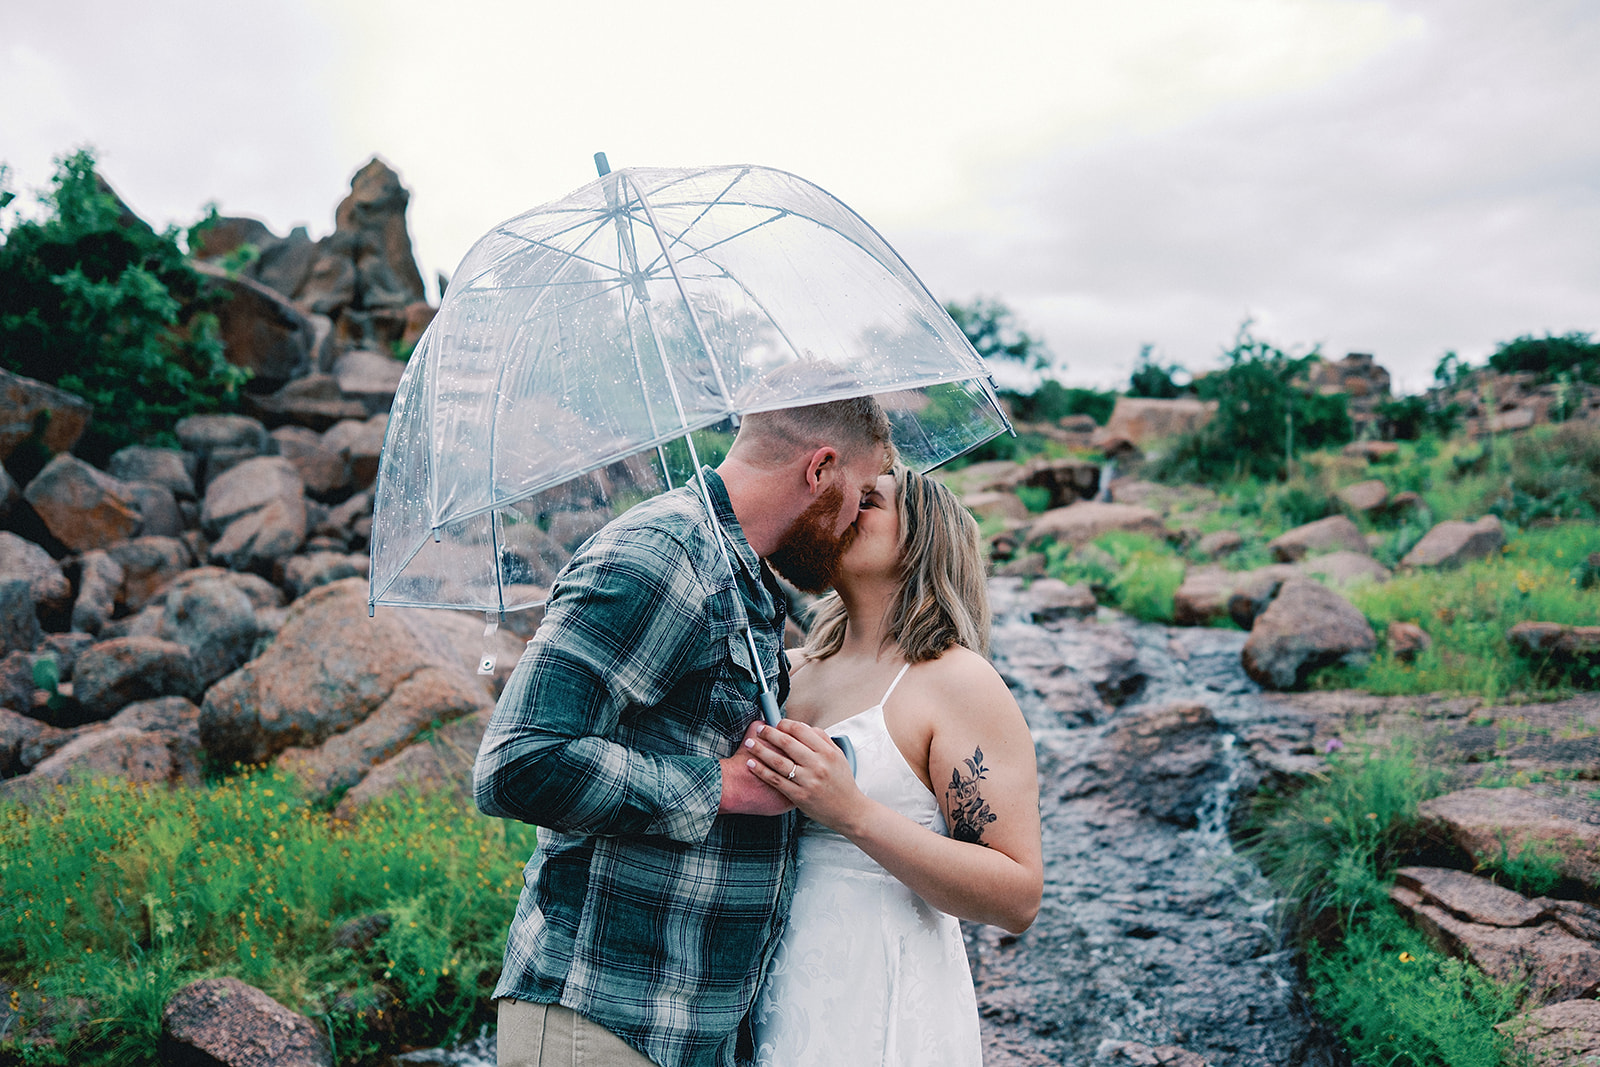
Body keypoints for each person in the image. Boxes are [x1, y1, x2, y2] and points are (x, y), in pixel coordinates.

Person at [473, 397, 893, 1067]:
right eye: (862, 492)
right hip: (604, 1019)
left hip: (683, 1025)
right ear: (820, 470)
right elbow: (518, 762)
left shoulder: (743, 572)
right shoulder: (664, 553)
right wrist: (721, 787)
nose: (855, 519)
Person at [743, 464, 1043, 1067]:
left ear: (922, 539)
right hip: (758, 988)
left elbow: (1017, 896)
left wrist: (853, 813)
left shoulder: (955, 681)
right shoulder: (787, 670)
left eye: (869, 499)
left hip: (877, 991)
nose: (844, 505)